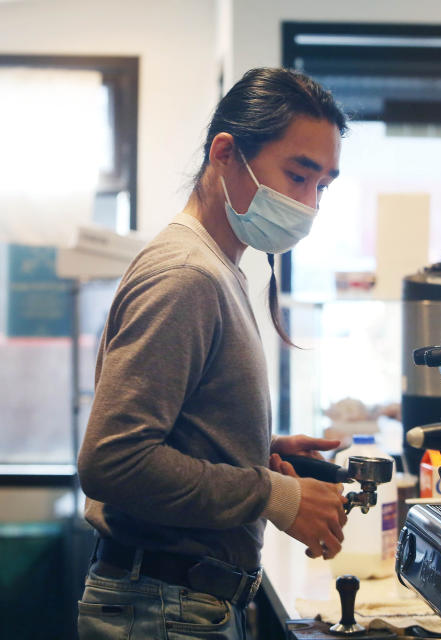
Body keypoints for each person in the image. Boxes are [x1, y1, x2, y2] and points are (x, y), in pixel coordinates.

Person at [76, 68, 348, 640]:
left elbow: (171, 430)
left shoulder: (219, 268)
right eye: (298, 175)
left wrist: (255, 447)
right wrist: (275, 494)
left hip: (185, 603)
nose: (307, 203)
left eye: (322, 186)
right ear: (226, 153)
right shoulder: (186, 276)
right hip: (162, 607)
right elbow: (113, 461)